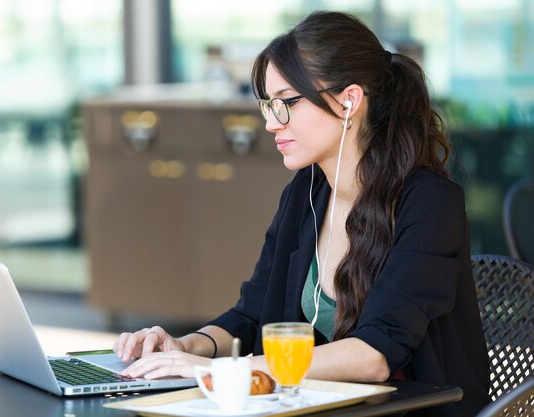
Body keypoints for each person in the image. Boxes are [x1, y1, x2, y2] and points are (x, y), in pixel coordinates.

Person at [113, 11, 490, 417]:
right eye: (268, 106)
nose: (273, 124)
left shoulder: (430, 203)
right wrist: (187, 346)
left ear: (349, 100)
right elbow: (251, 312)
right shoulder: (307, 193)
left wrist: (222, 370)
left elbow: (374, 355)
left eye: (287, 104)